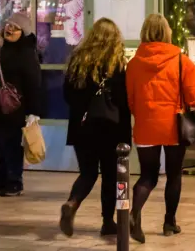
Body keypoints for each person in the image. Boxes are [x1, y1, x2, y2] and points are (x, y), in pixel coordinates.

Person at [125, 14, 195, 243]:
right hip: (173, 126)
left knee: (148, 175)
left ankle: (134, 213)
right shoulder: (181, 61)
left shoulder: (134, 63)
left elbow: (130, 99)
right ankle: (169, 222)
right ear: (167, 32)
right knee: (174, 174)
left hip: (146, 125)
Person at [59, 18, 131, 238]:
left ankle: (72, 202)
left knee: (88, 173)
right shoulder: (118, 65)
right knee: (111, 176)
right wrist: (126, 137)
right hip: (111, 129)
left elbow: (68, 96)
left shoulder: (77, 61)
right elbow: (124, 102)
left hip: (83, 129)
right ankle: (108, 222)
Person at [0, 12, 43, 197]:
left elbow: (33, 82)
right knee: (1, 142)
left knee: (10, 143)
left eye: (15, 27)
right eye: (8, 25)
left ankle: (14, 181)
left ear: (23, 32)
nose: (9, 29)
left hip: (16, 106)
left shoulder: (26, 52)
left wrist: (33, 111)